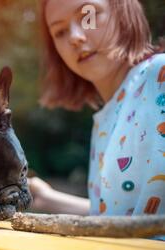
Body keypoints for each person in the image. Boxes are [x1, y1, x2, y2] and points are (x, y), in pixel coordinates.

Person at [30, 0, 164, 216]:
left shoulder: (160, 76)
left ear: (123, 11)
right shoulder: (105, 120)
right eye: (61, 31)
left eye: (88, 17)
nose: (75, 37)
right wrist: (48, 199)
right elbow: (120, 217)